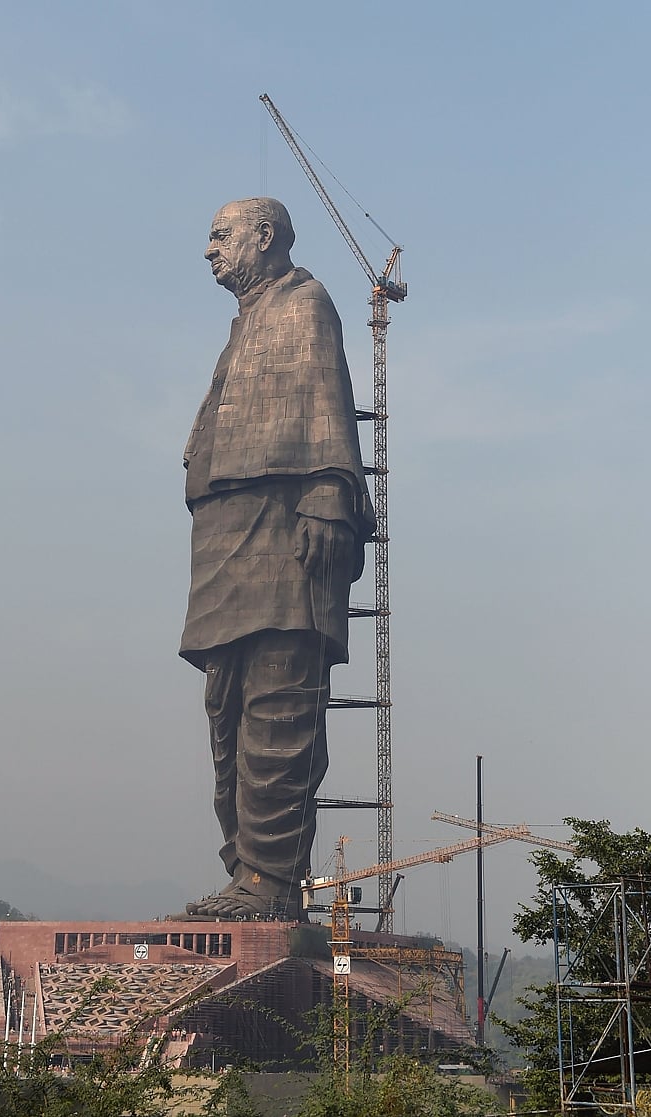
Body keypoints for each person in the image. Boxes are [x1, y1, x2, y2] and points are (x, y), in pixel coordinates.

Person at [180, 198, 374, 920]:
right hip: (227, 531)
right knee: (226, 707)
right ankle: (243, 873)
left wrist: (329, 489)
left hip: (284, 525)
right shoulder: (248, 321)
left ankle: (268, 879)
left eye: (219, 234)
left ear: (264, 238)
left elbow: (329, 400)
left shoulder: (305, 303)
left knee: (279, 699)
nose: (209, 249)